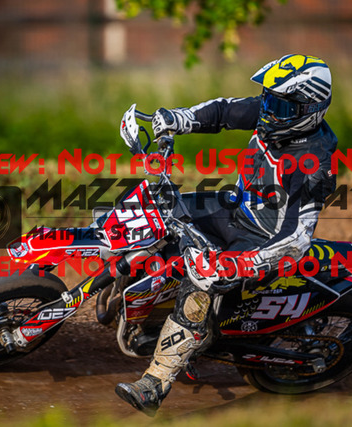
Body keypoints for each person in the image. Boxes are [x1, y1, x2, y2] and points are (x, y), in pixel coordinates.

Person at [115, 54, 338, 415]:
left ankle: (155, 383)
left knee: (198, 284)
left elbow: (297, 238)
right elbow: (223, 111)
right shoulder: (276, 115)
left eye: (279, 105)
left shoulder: (314, 165)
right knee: (154, 205)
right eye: (268, 99)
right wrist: (177, 119)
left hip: (261, 242)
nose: (267, 111)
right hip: (235, 207)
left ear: (309, 109)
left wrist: (236, 265)